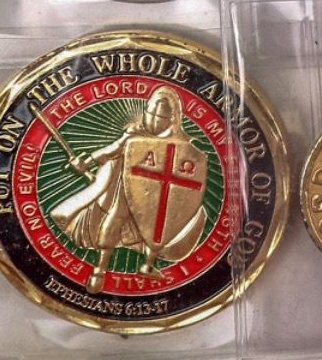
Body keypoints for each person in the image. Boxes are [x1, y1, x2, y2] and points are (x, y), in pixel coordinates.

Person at [50, 87, 207, 292]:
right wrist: (87, 162)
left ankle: (147, 265)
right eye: (151, 114)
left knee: (160, 221)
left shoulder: (183, 144)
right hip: (126, 184)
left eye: (160, 117)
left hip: (155, 191)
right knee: (116, 217)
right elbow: (112, 149)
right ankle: (100, 270)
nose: (154, 120)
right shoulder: (135, 134)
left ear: (173, 119)